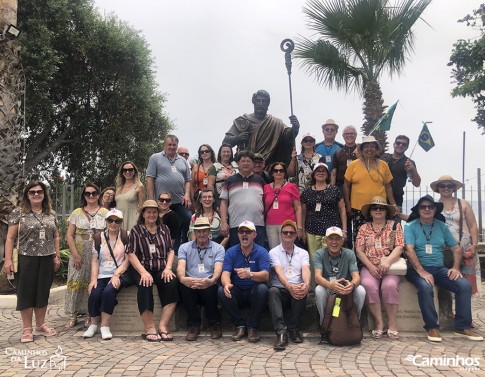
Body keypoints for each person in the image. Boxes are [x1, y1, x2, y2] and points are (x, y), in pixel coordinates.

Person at [404, 195, 482, 342]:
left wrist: (455, 268)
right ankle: (432, 327)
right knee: (426, 287)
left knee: (464, 285)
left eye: (430, 207)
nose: (427, 209)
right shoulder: (410, 226)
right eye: (423, 207)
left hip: (439, 268)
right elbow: (409, 250)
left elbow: (456, 248)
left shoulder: (441, 226)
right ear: (418, 210)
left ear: (435, 210)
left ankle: (462, 326)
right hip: (416, 269)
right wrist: (421, 271)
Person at [3, 181, 60, 343]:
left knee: (43, 292)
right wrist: (8, 260)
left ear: (44, 194)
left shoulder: (51, 214)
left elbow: (56, 235)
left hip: (47, 258)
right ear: (27, 195)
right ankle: (27, 329)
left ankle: (40, 326)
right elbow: (10, 238)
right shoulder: (18, 213)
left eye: (39, 192)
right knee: (26, 293)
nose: (36, 194)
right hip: (26, 258)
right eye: (32, 192)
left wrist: (56, 256)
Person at [127, 200, 179, 342]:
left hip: (161, 267)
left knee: (172, 283)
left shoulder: (164, 229)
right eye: (148, 212)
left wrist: (168, 268)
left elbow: (170, 250)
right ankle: (149, 327)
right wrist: (143, 272)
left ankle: (163, 325)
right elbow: (131, 253)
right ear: (143, 213)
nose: (152, 214)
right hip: (141, 267)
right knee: (145, 284)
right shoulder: (136, 230)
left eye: (154, 212)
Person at [355, 197, 404, 340]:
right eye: (374, 208)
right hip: (370, 266)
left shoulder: (394, 226)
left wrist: (387, 262)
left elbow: (399, 246)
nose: (377, 210)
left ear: (386, 211)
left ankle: (392, 323)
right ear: (370, 212)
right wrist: (370, 266)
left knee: (389, 286)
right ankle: (378, 322)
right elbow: (359, 250)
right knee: (368, 285)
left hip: (390, 266)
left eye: (381, 208)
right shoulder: (364, 228)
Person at [65, 183, 108, 329]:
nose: (91, 196)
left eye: (94, 193)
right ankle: (73, 314)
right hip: (79, 249)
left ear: (98, 195)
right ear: (84, 196)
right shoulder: (77, 212)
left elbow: (110, 233)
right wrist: (75, 254)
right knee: (75, 280)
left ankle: (91, 313)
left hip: (97, 250)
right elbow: (69, 236)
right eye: (87, 193)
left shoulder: (105, 212)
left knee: (92, 281)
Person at [218, 221, 270, 343]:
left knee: (263, 289)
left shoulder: (262, 252)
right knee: (221, 290)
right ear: (238, 234)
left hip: (254, 292)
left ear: (254, 235)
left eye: (248, 232)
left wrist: (250, 275)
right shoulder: (231, 252)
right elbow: (225, 273)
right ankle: (239, 325)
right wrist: (226, 284)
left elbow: (265, 276)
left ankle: (253, 327)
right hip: (238, 291)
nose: (244, 234)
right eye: (242, 232)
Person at [83, 209, 131, 340]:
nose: (113, 223)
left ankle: (104, 325)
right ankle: (93, 324)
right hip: (102, 274)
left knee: (108, 292)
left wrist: (116, 274)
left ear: (121, 222)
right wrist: (93, 279)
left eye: (117, 221)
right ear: (106, 221)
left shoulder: (126, 236)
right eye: (110, 220)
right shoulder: (99, 237)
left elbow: (128, 259)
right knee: (95, 292)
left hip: (119, 273)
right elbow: (95, 259)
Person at [314, 226, 365, 344]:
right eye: (331, 239)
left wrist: (351, 285)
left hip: (345, 289)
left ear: (342, 240)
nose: (334, 242)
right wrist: (329, 284)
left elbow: (357, 277)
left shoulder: (349, 254)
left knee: (361, 290)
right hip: (328, 287)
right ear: (326, 240)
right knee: (318, 290)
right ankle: (324, 328)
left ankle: (353, 324)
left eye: (337, 239)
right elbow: (317, 277)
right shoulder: (319, 254)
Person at [177, 217, 225, 341]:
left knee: (211, 288)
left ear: (209, 232)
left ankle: (214, 324)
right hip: (191, 281)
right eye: (198, 231)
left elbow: (218, 269)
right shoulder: (184, 247)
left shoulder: (218, 248)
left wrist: (212, 280)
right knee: (184, 287)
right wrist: (183, 279)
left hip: (208, 280)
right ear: (194, 232)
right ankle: (193, 326)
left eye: (204, 231)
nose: (201, 234)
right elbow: (181, 267)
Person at [431, 176, 481, 296]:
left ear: (454, 188)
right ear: (438, 188)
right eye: (443, 185)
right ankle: (448, 313)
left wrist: (474, 245)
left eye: (449, 186)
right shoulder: (434, 205)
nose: (446, 188)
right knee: (448, 282)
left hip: (466, 249)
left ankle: (463, 311)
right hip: (445, 250)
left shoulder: (463, 203)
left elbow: (473, 225)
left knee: (467, 282)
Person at [223, 89, 300, 166]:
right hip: (246, 166)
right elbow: (226, 141)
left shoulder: (276, 123)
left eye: (264, 101)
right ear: (254, 102)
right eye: (258, 101)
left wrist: (295, 128)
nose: (261, 103)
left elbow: (288, 137)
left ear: (268, 104)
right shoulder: (243, 121)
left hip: (268, 167)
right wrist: (237, 138)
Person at [343, 135, 396, 244]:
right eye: (366, 146)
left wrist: (393, 205)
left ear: (377, 149)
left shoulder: (383, 165)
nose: (369, 149)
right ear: (361, 150)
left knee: (380, 238)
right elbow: (346, 186)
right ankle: (359, 261)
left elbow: (388, 186)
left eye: (372, 146)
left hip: (379, 208)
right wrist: (348, 205)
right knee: (360, 239)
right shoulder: (353, 165)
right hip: (358, 209)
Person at [268, 220, 310, 351]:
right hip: (281, 288)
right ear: (280, 234)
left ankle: (294, 329)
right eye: (285, 232)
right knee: (272, 292)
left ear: (296, 235)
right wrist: (289, 286)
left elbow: (306, 270)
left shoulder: (303, 253)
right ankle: (281, 332)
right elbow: (279, 271)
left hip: (296, 286)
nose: (288, 234)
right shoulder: (273, 252)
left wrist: (307, 284)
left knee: (302, 290)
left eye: (291, 232)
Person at [301, 163, 346, 282]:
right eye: (318, 171)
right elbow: (304, 212)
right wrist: (303, 230)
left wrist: (344, 229)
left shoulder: (335, 190)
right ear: (313, 174)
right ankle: (315, 290)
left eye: (323, 171)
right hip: (312, 230)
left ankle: (331, 288)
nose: (320, 173)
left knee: (331, 260)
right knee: (314, 260)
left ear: (327, 174)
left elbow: (342, 210)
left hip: (332, 232)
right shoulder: (306, 192)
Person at [146, 135, 192, 250]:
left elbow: (188, 180)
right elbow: (150, 178)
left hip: (179, 200)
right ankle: (159, 248)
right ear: (164, 145)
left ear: (177, 146)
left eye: (174, 145)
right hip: (162, 201)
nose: (172, 147)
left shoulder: (183, 161)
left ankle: (182, 247)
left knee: (187, 218)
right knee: (161, 224)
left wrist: (187, 194)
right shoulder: (155, 158)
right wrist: (151, 199)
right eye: (169, 144)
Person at [219, 150, 266, 247]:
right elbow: (223, 202)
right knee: (238, 255)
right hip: (236, 225)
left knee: (257, 253)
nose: (246, 164)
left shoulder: (260, 181)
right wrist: (224, 222)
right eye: (243, 161)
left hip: (258, 224)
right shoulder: (230, 181)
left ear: (252, 163)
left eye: (248, 161)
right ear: (237, 163)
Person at [264, 162, 303, 250]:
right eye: (276, 170)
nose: (278, 172)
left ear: (285, 173)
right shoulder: (266, 188)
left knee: (288, 249)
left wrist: (299, 226)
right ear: (272, 173)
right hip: (271, 224)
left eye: (281, 170)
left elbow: (298, 208)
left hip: (288, 223)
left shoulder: (292, 187)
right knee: (274, 251)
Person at [381, 135, 421, 215]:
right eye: (398, 143)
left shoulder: (409, 162)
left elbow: (417, 184)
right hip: (379, 199)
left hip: (396, 200)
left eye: (404, 144)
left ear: (407, 147)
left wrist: (413, 169)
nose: (400, 145)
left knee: (395, 227)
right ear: (394, 144)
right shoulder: (384, 158)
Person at [115, 161, 145, 231]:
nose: (127, 172)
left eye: (130, 170)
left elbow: (142, 207)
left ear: (134, 171)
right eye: (125, 170)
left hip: (133, 220)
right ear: (122, 172)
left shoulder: (139, 186)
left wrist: (141, 222)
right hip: (118, 220)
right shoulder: (119, 187)